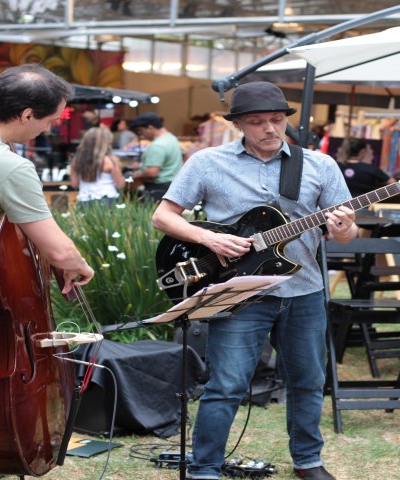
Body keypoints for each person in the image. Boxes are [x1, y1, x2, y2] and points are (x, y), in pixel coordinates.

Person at [152, 81, 357, 480]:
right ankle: (205, 467)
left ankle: (308, 462)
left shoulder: (319, 165)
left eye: (277, 120)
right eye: (257, 122)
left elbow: (347, 234)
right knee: (226, 384)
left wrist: (346, 226)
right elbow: (164, 217)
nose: (269, 129)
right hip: (237, 290)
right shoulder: (208, 162)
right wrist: (209, 238)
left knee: (309, 381)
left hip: (303, 291)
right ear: (239, 124)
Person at [0, 64, 95, 479]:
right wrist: (79, 267)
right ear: (26, 115)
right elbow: (57, 248)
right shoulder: (9, 167)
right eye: (47, 121)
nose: (45, 130)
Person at [130, 112, 183, 203]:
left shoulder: (157, 145)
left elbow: (152, 172)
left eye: (140, 131)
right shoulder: (171, 138)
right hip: (171, 185)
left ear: (150, 128)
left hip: (157, 188)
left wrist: (135, 176)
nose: (141, 135)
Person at [70, 126, 125, 207]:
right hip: (107, 199)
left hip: (84, 200)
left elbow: (74, 184)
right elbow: (119, 185)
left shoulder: (76, 160)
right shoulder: (111, 161)